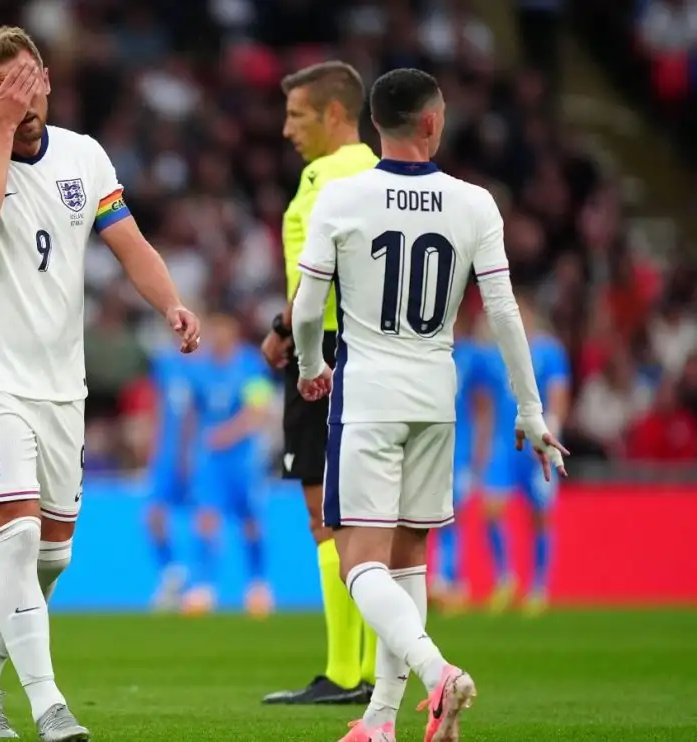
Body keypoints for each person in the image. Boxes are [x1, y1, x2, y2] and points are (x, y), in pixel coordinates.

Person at [0, 25, 200, 741]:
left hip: (62, 384)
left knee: (51, 559)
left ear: (48, 79)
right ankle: (50, 707)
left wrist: (169, 301)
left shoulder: (84, 155)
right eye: (3, 85)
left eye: (28, 78)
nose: (21, 94)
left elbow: (130, 242)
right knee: (15, 543)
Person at [290, 67, 568, 742]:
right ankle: (382, 720)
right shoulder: (475, 204)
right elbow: (503, 313)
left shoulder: (342, 197)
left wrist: (309, 365)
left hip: (370, 394)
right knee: (408, 560)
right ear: (433, 122)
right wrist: (530, 412)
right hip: (435, 396)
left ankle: (436, 672)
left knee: (359, 562)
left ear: (374, 123)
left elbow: (305, 309)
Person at [261, 60, 382, 707]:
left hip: (326, 349)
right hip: (378, 350)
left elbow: (319, 271)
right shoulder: (383, 173)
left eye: (297, 115)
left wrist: (285, 328)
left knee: (326, 518)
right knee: (365, 518)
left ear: (335, 115)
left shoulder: (325, 177)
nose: (287, 129)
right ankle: (363, 670)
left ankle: (341, 674)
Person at [475, 291, 571, 616]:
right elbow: (485, 402)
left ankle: (539, 587)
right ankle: (505, 579)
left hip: (536, 444)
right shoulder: (494, 354)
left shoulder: (549, 350)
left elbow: (559, 392)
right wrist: (483, 446)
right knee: (490, 509)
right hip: (504, 445)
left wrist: (551, 431)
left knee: (540, 516)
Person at [179, 311, 276, 617]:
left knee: (250, 522)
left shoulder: (251, 366)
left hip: (243, 458)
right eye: (214, 329)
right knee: (206, 519)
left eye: (224, 329)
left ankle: (258, 587)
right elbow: (192, 414)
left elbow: (257, 412)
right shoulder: (200, 368)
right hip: (209, 460)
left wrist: (226, 434)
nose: (218, 335)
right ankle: (203, 588)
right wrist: (185, 452)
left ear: (234, 331)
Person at [430, 309, 490, 613]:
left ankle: (448, 579)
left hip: (459, 450)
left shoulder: (471, 357)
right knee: (429, 514)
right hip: (430, 448)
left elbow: (483, 408)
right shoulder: (428, 351)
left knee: (452, 514)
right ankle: (441, 579)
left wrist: (479, 456)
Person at [143, 337, 196, 612]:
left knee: (207, 517)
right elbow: (160, 408)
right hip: (168, 453)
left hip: (201, 454)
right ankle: (173, 573)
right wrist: (155, 447)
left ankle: (202, 584)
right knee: (153, 516)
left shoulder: (208, 363)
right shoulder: (164, 364)